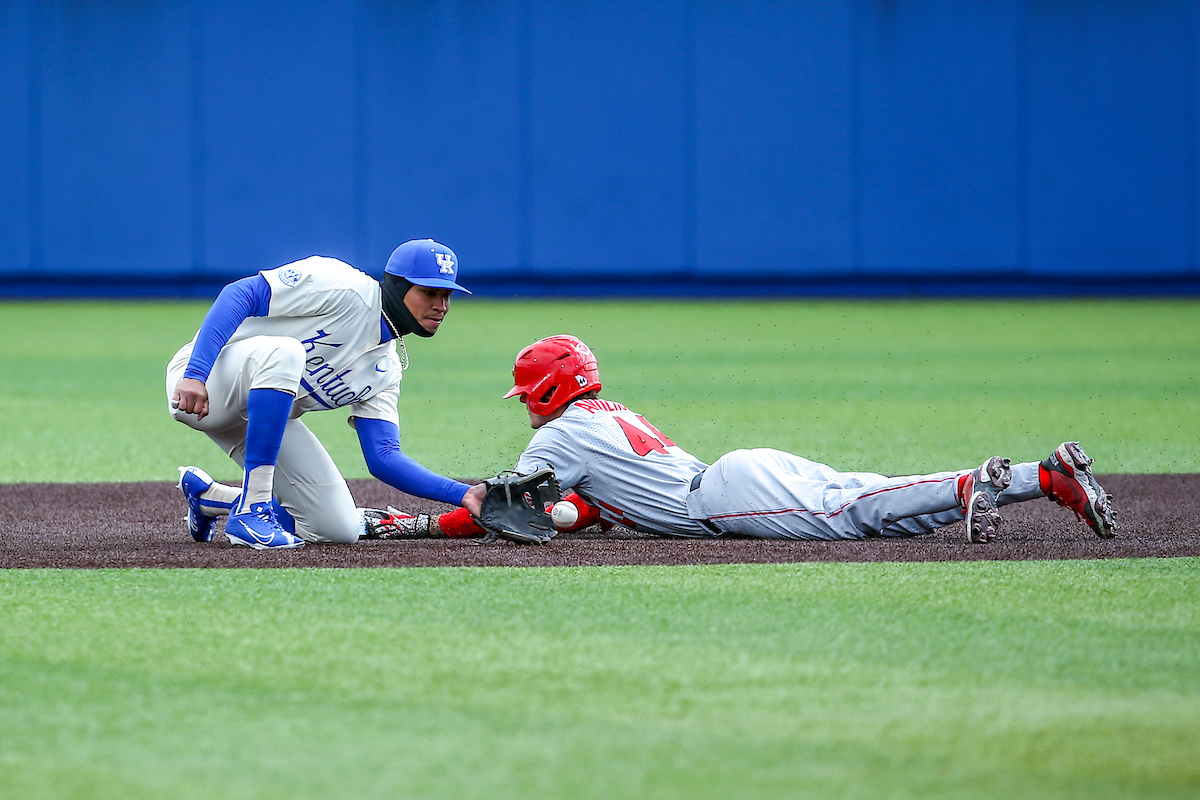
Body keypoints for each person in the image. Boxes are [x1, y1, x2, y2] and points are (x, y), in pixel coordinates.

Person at [365, 335, 1116, 544]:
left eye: (529, 394)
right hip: (738, 476)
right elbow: (578, 507)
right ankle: (1042, 476)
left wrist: (420, 526)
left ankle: (970, 484)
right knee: (875, 505)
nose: (526, 407)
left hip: (722, 501)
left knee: (858, 513)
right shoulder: (604, 416)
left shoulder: (562, 438)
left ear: (549, 392)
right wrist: (578, 515)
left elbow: (502, 506)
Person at [167, 239, 483, 549]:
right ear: (398, 287)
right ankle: (253, 509)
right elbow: (241, 293)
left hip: (261, 419)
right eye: (428, 292)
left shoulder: (386, 369)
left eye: (446, 295)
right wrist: (195, 374)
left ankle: (211, 498)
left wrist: (465, 494)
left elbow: (384, 456)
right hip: (206, 384)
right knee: (287, 352)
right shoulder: (344, 286)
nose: (441, 306)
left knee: (337, 528)